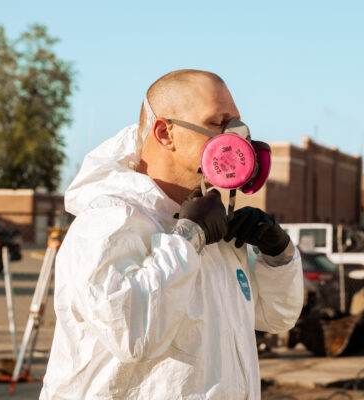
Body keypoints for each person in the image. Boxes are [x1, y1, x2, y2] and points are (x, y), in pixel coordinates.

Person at [40, 69, 304, 399]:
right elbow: (133, 332)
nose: (235, 139)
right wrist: (187, 238)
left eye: (236, 124)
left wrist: (278, 255)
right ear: (165, 133)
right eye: (217, 123)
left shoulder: (213, 228)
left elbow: (277, 317)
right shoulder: (109, 220)